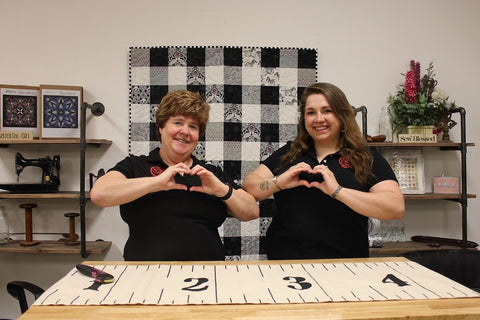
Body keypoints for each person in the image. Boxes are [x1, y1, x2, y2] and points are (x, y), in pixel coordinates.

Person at [90, 90, 259, 261]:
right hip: (145, 275)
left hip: (206, 273)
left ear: (198, 136)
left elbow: (251, 211)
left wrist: (221, 190)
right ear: (161, 127)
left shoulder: (210, 174)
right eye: (178, 123)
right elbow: (99, 194)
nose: (185, 131)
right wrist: (156, 183)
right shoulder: (135, 166)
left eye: (193, 126)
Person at [242, 82, 405, 260]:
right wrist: (278, 182)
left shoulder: (365, 156)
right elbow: (250, 186)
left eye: (327, 111)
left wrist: (337, 191)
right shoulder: (290, 153)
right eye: (311, 112)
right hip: (285, 262)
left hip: (347, 265)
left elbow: (395, 208)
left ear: (342, 115)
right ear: (304, 119)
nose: (319, 119)